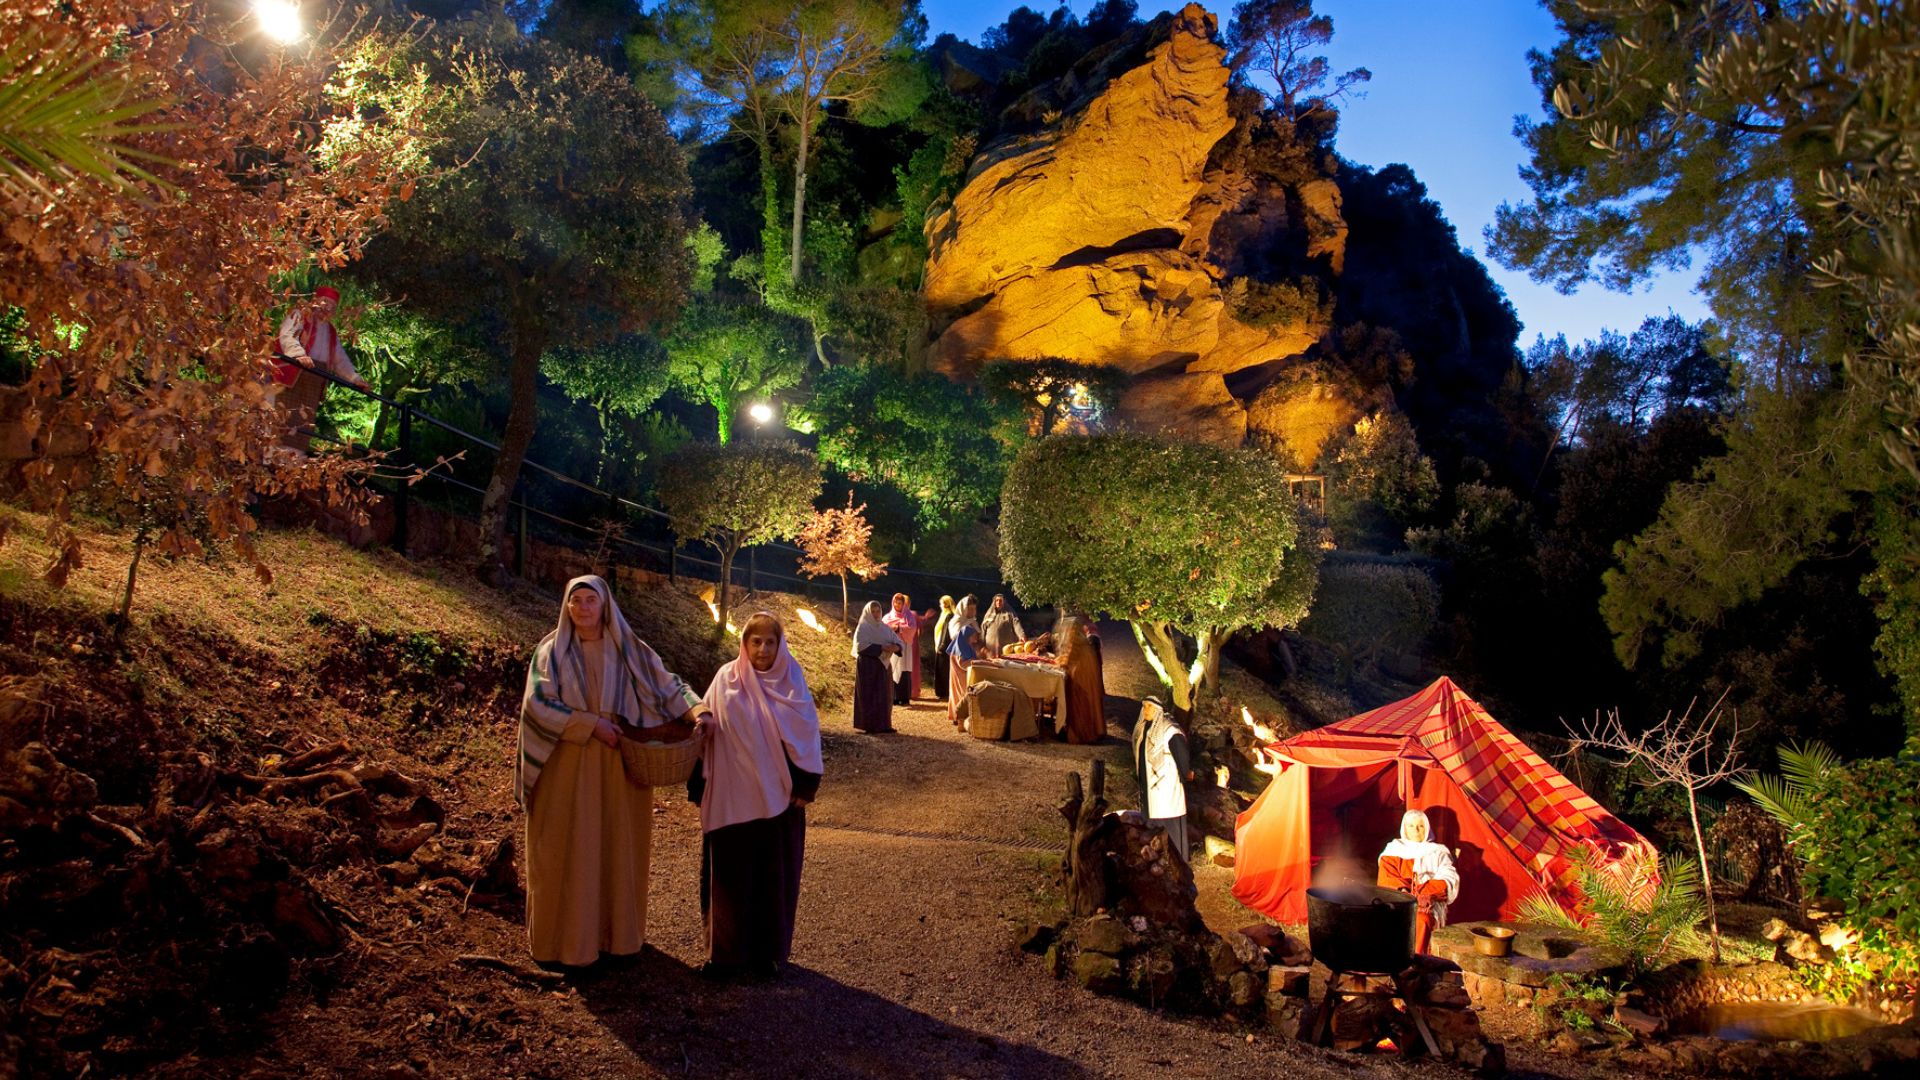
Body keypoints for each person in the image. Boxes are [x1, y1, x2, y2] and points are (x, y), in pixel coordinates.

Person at [516, 575, 707, 968]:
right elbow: (537, 704)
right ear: (567, 607)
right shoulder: (550, 652)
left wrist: (699, 711)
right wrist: (589, 725)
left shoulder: (628, 650)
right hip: (566, 766)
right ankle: (562, 946)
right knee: (566, 847)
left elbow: (666, 685)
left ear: (605, 605)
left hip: (620, 762)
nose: (584, 608)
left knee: (615, 846)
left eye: (591, 600)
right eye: (577, 601)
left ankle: (616, 940)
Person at [693, 612, 823, 979]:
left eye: (770, 642)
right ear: (744, 644)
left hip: (779, 801)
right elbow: (705, 734)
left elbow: (805, 737)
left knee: (771, 877)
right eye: (756, 641)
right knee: (729, 876)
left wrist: (805, 785)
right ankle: (726, 956)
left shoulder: (793, 683)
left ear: (780, 644)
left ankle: (767, 955)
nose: (763, 649)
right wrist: (697, 785)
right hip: (731, 796)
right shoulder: (725, 680)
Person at [271, 285, 368, 451]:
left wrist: (355, 379)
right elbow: (287, 335)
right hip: (294, 373)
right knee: (283, 417)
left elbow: (339, 359)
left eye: (332, 306)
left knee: (304, 424)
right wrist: (298, 355)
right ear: (315, 301)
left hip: (314, 381)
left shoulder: (331, 331)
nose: (327, 308)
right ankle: (271, 460)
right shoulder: (300, 314)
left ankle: (294, 466)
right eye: (324, 302)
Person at [1376, 808, 1460, 954]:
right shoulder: (1393, 849)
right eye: (1411, 826)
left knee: (1421, 920)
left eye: (1420, 826)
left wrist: (1424, 892)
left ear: (1427, 828)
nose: (1415, 830)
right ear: (1405, 829)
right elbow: (1387, 877)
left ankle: (1416, 962)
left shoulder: (1438, 851)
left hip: (1427, 902)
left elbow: (1449, 876)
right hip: (1398, 901)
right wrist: (1403, 893)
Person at [1132, 697, 1192, 860]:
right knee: (1152, 833)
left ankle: (1179, 864)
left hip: (1167, 790)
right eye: (1144, 706)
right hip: (1150, 793)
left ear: (1157, 709)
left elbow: (1182, 758)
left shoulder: (1170, 730)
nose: (1145, 710)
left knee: (1172, 834)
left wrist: (1185, 775)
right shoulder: (1144, 729)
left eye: (1149, 707)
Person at [850, 601, 904, 734]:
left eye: (878, 611)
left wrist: (896, 647)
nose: (875, 614)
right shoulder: (863, 627)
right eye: (873, 611)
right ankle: (869, 725)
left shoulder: (884, 627)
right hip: (868, 666)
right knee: (870, 694)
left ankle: (884, 724)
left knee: (884, 694)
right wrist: (881, 647)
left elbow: (898, 641)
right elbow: (860, 646)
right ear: (868, 612)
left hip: (883, 666)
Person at [1058, 617, 1106, 744]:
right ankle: (1092, 732)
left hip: (1082, 673)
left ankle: (1079, 735)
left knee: (1078, 701)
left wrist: (1060, 663)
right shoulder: (1082, 636)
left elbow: (1071, 653)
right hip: (1088, 671)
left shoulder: (1074, 635)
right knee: (1090, 702)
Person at [881, 593, 926, 704]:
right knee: (893, 670)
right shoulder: (887, 617)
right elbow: (883, 628)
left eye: (900, 603)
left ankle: (904, 697)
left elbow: (912, 629)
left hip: (905, 648)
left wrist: (899, 628)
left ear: (903, 604)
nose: (897, 605)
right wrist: (895, 628)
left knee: (904, 671)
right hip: (892, 649)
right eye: (895, 603)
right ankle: (893, 697)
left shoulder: (909, 616)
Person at [946, 595, 982, 729]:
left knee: (967, 685)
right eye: (970, 608)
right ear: (963, 608)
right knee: (959, 687)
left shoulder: (973, 621)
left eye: (974, 608)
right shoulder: (956, 622)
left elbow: (977, 639)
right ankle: (958, 714)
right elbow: (958, 639)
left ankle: (963, 714)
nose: (972, 612)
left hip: (969, 655)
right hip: (960, 655)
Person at [980, 594, 1027, 659]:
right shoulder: (988, 615)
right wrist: (981, 644)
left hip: (1006, 649)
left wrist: (1021, 635)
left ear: (1004, 602)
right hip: (990, 649)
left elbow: (1016, 624)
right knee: (991, 666)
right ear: (994, 602)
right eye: (996, 600)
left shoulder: (1010, 614)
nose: (998, 602)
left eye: (1000, 600)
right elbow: (983, 629)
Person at [930, 595, 957, 699]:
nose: (940, 605)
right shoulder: (944, 615)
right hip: (941, 646)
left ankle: (944, 692)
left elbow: (945, 633)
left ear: (945, 604)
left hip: (944, 648)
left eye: (941, 603)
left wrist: (941, 646)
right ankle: (942, 692)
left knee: (944, 670)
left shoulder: (949, 616)